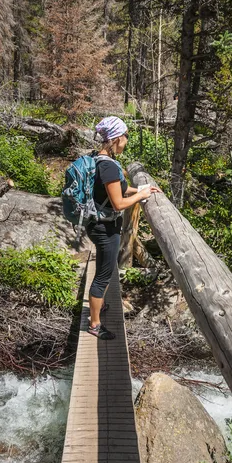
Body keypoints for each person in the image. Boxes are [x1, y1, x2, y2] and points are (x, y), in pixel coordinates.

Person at [87, 116, 162, 340]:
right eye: (126, 136)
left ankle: (97, 308)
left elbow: (117, 190)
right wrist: (140, 195)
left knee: (105, 270)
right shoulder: (108, 166)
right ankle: (94, 325)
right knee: (102, 275)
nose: (127, 141)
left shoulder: (99, 159)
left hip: (100, 225)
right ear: (118, 138)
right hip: (104, 229)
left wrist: (140, 190)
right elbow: (118, 203)